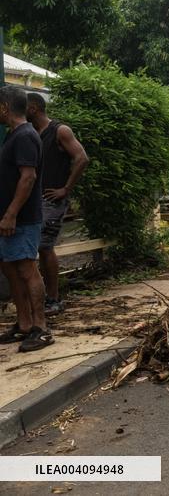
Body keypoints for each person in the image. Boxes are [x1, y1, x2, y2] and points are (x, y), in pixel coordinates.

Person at [26, 93, 90, 315]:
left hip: (52, 199)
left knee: (45, 246)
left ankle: (53, 299)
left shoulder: (60, 131)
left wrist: (66, 189)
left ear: (33, 108)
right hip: (35, 198)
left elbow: (82, 158)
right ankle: (42, 298)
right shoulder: (32, 133)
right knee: (37, 248)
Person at [0, 86, 51, 351]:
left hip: (22, 218)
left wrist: (11, 214)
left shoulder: (25, 136)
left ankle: (41, 329)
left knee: (26, 268)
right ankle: (23, 324)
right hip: (10, 218)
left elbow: (28, 177)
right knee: (10, 268)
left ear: (5, 107)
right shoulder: (13, 135)